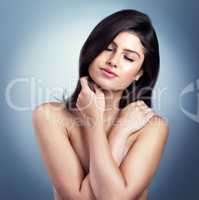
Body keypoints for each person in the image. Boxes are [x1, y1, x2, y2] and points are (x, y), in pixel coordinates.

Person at [32, 9, 169, 200]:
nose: (113, 61)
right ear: (93, 49)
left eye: (128, 58)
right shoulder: (50, 116)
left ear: (140, 73)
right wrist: (111, 130)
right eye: (107, 48)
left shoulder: (152, 127)